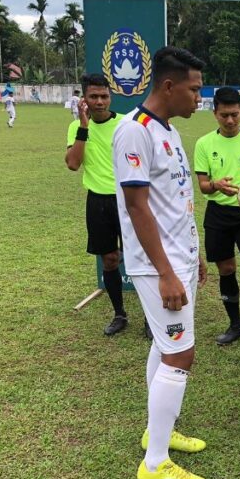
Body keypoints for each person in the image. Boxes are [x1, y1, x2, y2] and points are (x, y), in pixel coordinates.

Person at [112, 46, 209, 479]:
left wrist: (195, 253)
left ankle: (160, 432)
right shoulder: (134, 131)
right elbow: (137, 207)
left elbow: (176, 205)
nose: (198, 98)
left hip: (180, 259)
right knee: (179, 354)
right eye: (193, 89)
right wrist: (167, 272)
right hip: (158, 268)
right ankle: (154, 462)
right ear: (168, 86)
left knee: (165, 344)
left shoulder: (170, 133)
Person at [65, 74, 148, 338]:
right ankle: (119, 314)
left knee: (140, 259)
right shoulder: (76, 127)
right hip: (98, 201)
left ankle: (150, 318)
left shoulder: (126, 124)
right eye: (93, 97)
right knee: (110, 260)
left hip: (127, 200)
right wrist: (83, 126)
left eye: (104, 96)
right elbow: (73, 164)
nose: (99, 102)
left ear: (110, 97)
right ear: (84, 99)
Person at [193, 87, 240, 345]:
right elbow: (202, 185)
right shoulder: (204, 144)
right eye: (224, 115)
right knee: (226, 269)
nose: (230, 120)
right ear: (214, 113)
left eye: (235, 114)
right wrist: (215, 185)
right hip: (218, 214)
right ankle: (235, 325)